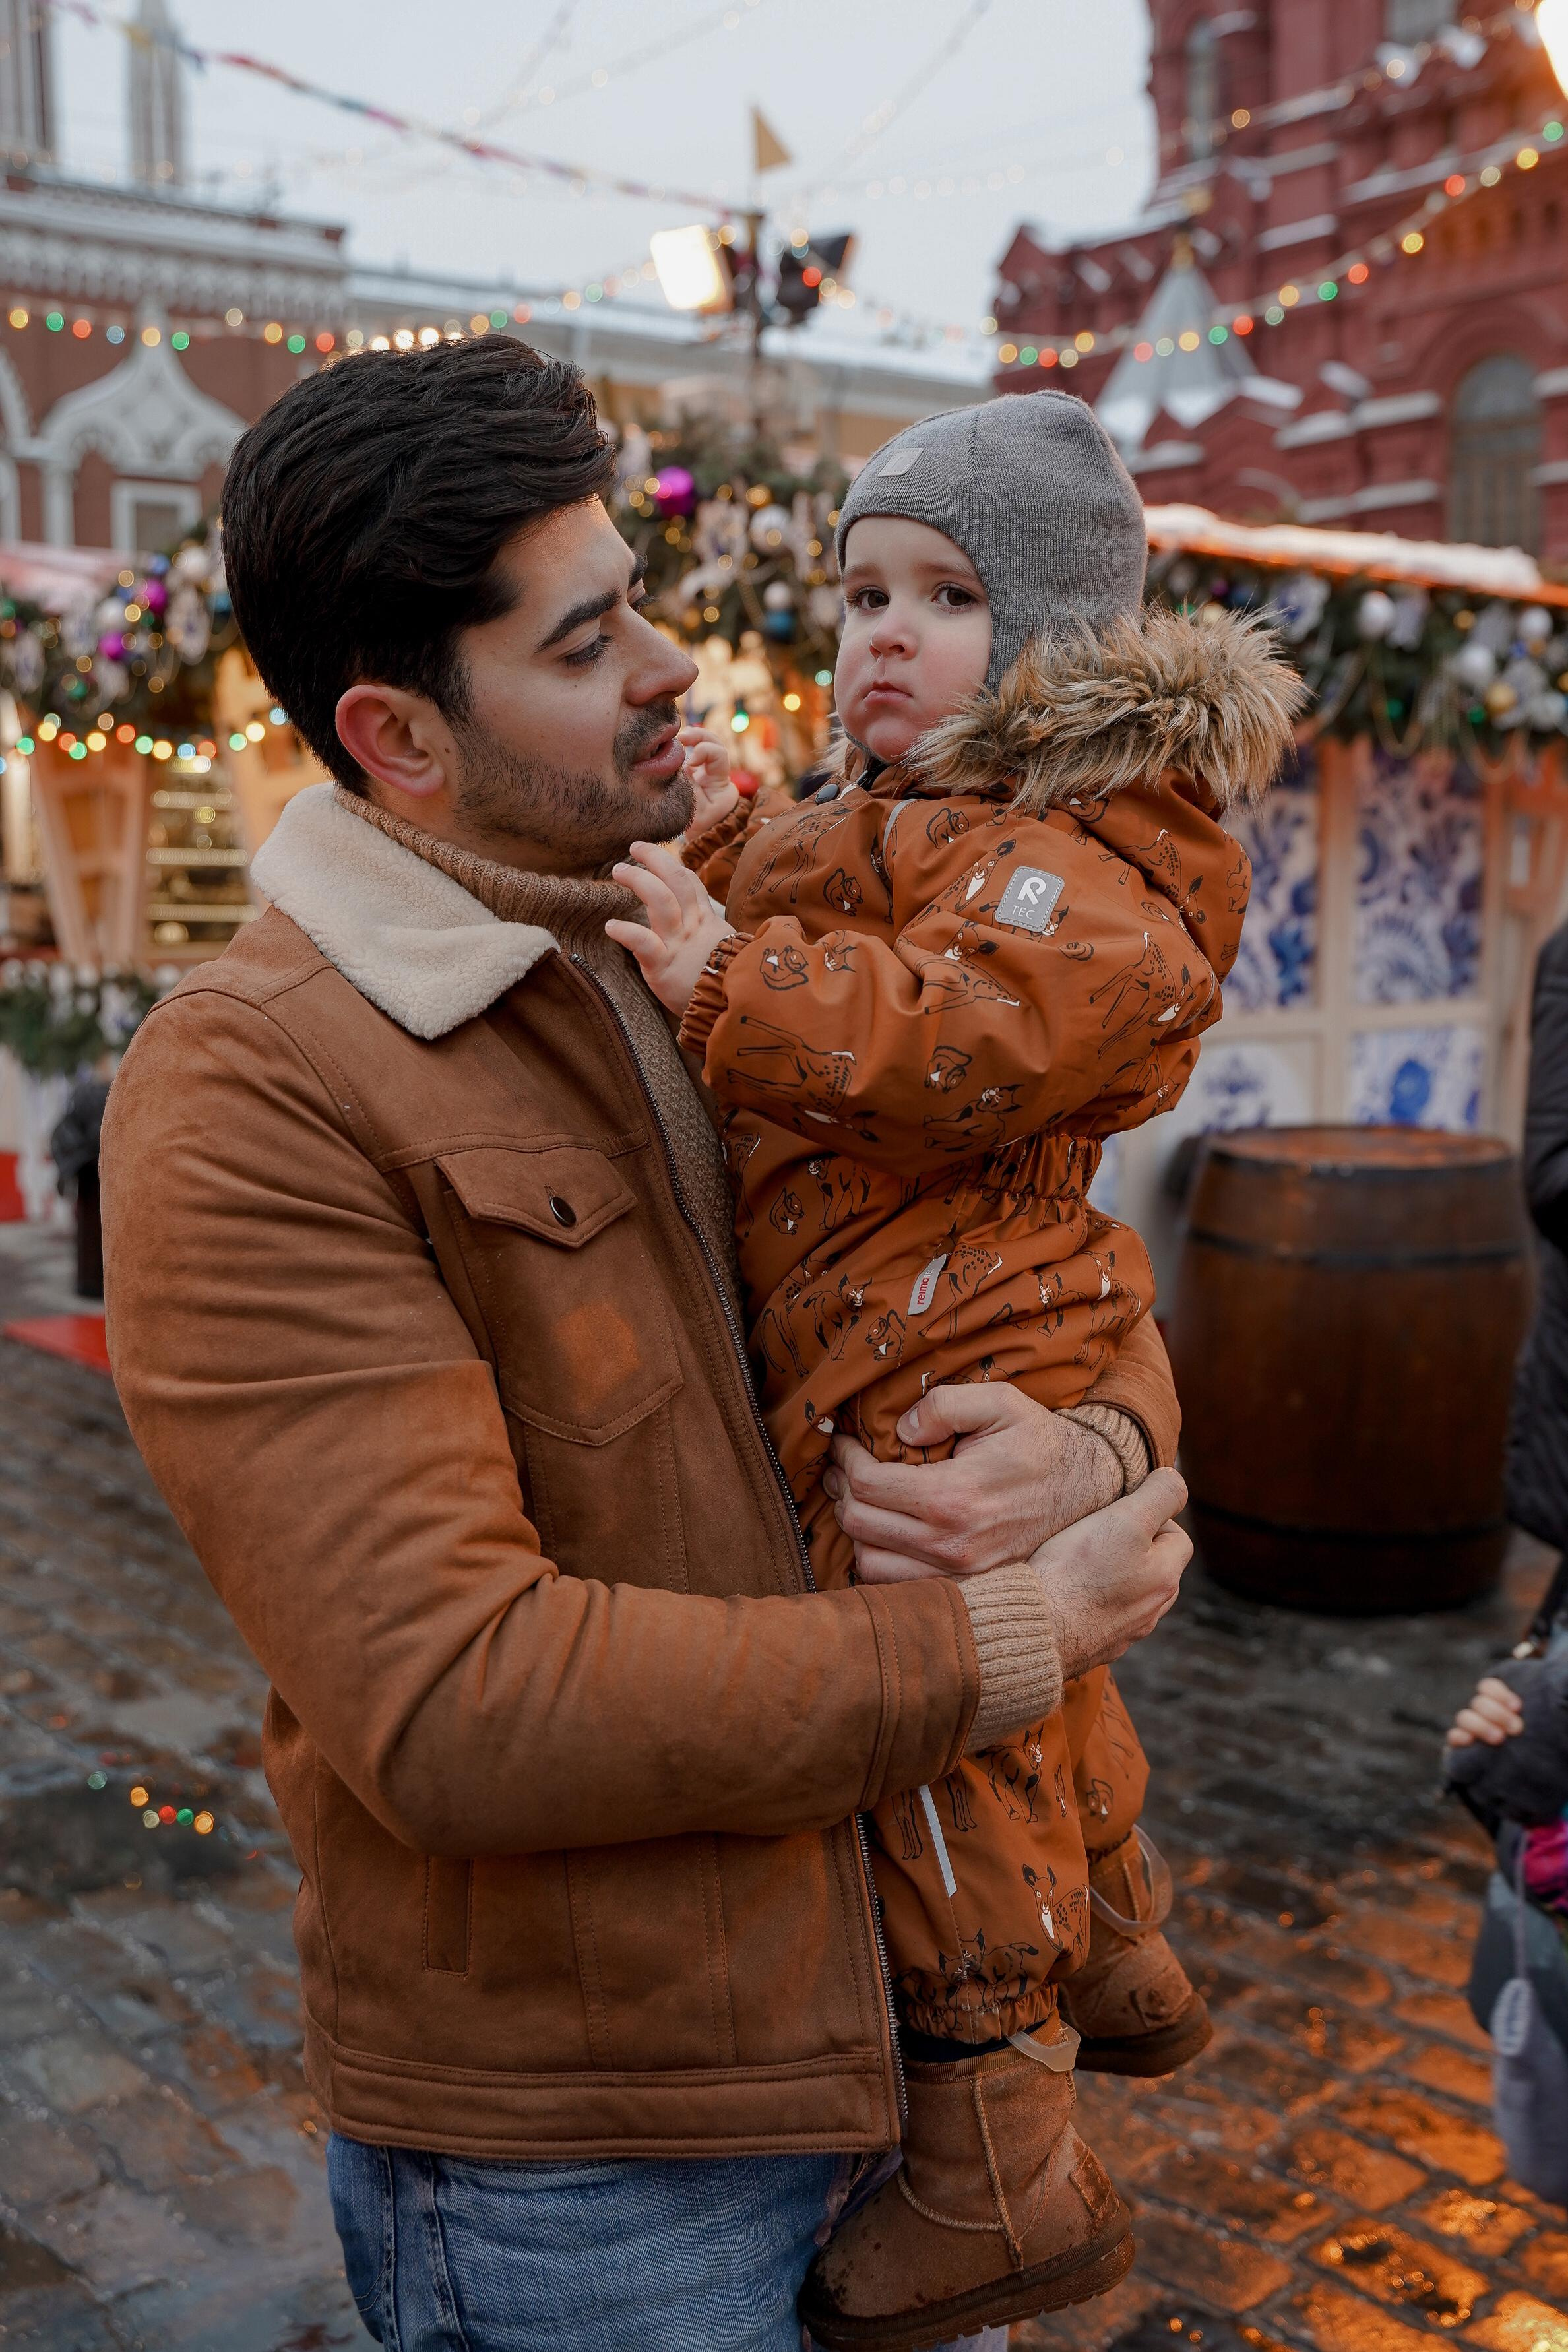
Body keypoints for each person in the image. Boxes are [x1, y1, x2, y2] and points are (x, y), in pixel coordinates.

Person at [100, 340, 1194, 2352]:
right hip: (602, 2164)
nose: (679, 664)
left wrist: (1092, 1461)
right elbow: (455, 1696)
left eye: (646, 599)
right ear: (396, 736)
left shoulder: (725, 942)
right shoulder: (256, 1089)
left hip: (918, 2042)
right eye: (593, 640)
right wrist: (1000, 1644)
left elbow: (1009, 1266)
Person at [608, 392, 1303, 2347]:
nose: (879, 634)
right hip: (906, 1306)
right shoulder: (916, 809)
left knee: (941, 1730)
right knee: (1024, 1681)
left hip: (947, 1326)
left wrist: (726, 979)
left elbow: (958, 1035)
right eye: (858, 594)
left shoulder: (1079, 850)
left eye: (943, 595)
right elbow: (842, 893)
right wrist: (739, 832)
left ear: (1067, 639)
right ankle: (1124, 1936)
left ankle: (995, 2161)